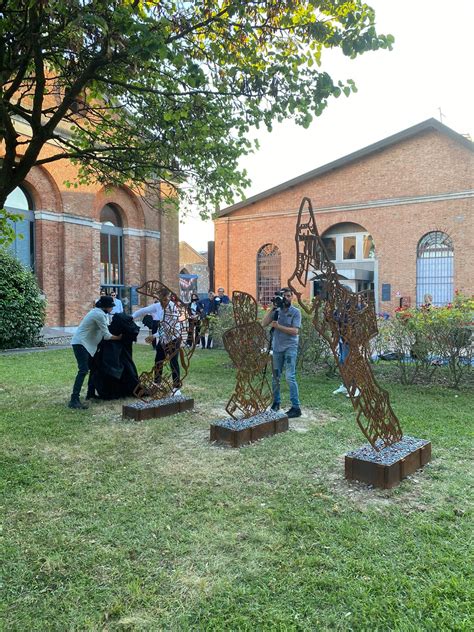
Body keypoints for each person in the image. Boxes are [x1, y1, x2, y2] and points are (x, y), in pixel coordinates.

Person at [69, 295, 122, 409]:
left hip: (85, 345)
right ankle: (74, 399)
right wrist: (119, 338)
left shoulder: (99, 313)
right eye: (111, 307)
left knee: (93, 368)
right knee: (83, 370)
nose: (112, 309)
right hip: (81, 344)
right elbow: (106, 335)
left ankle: (90, 394)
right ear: (106, 307)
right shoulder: (99, 314)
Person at [262, 287, 302, 418]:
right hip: (277, 348)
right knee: (275, 377)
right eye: (283, 296)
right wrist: (272, 309)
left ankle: (296, 407)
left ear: (292, 297)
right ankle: (276, 402)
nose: (286, 298)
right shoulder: (276, 311)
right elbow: (264, 323)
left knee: (290, 377)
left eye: (288, 296)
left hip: (290, 347)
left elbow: (295, 331)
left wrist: (278, 326)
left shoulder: (296, 312)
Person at [88, 312, 140, 399]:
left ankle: (92, 392)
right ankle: (91, 392)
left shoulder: (117, 328)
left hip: (115, 355)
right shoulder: (125, 329)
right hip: (113, 355)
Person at [145, 288, 182, 394]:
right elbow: (144, 310)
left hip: (174, 338)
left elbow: (168, 328)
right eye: (161, 300)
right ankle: (157, 383)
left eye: (165, 300)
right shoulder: (159, 306)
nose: (163, 302)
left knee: (173, 361)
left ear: (169, 298)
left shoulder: (173, 308)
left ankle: (176, 387)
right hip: (163, 339)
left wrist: (154, 336)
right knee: (158, 361)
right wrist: (131, 317)